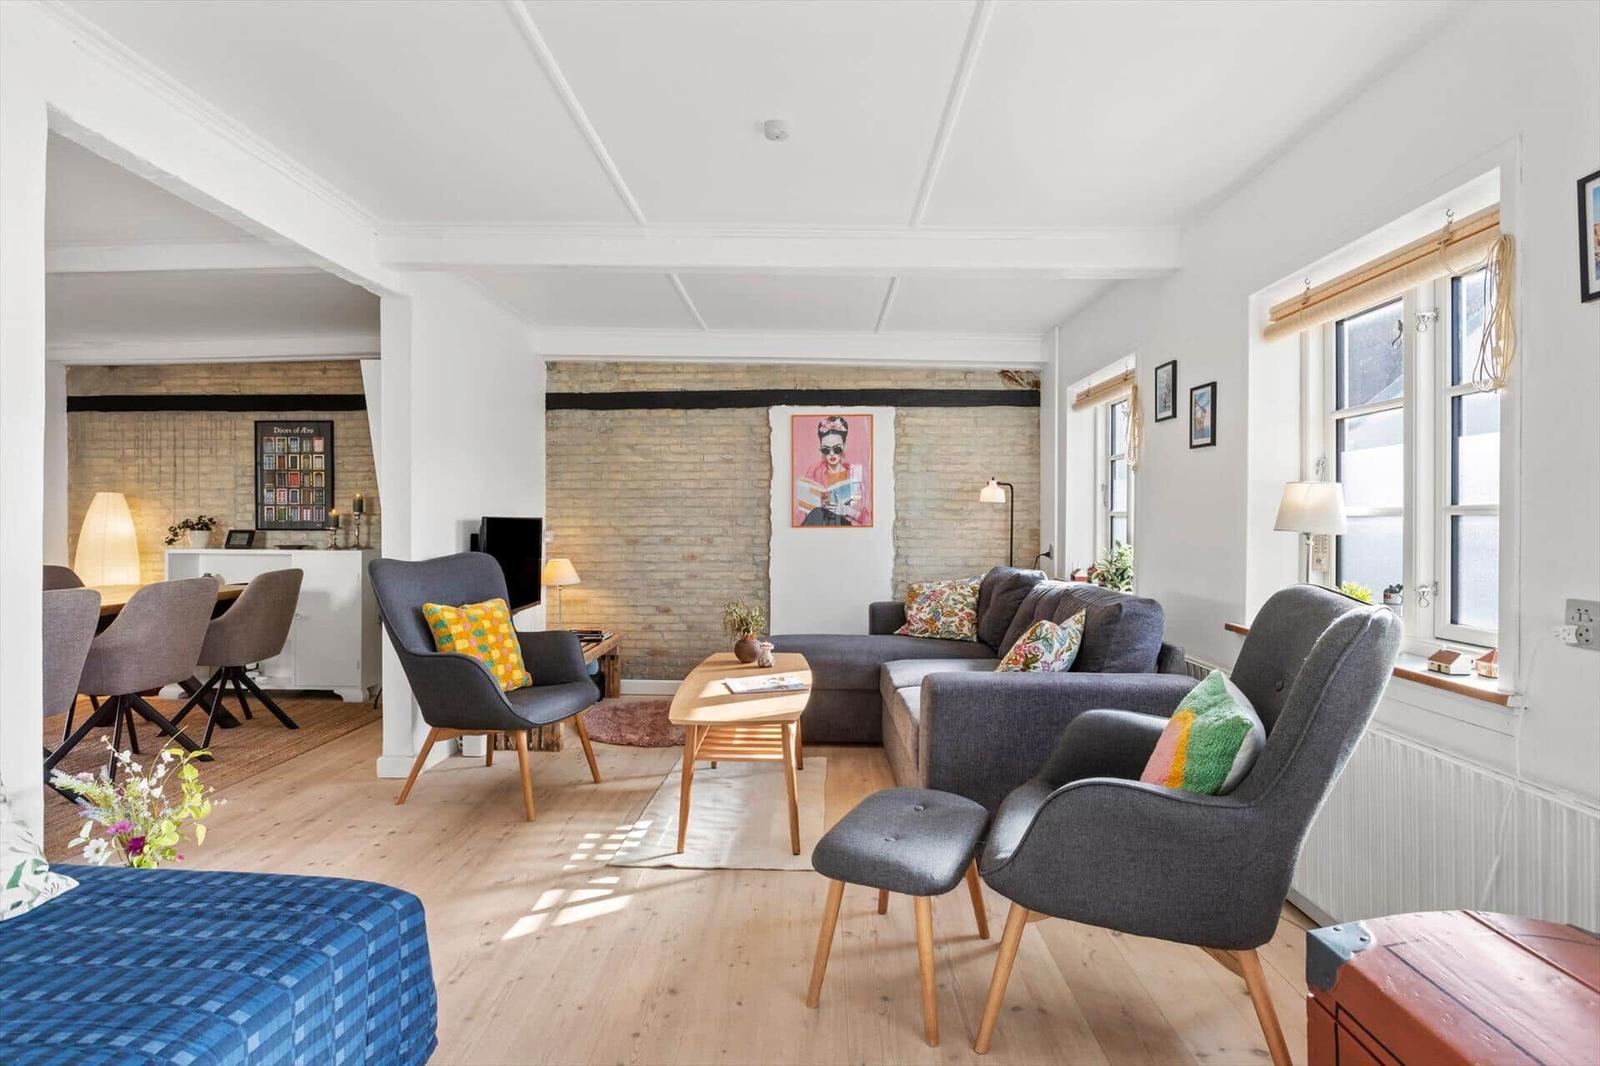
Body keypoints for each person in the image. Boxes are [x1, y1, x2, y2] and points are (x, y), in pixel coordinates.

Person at [794, 416, 870, 526]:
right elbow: (803, 509)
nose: (831, 454)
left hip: (844, 524)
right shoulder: (814, 471)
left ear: (844, 446)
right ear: (821, 449)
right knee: (817, 513)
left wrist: (845, 510)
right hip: (820, 523)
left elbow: (866, 519)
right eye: (826, 449)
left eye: (837, 448)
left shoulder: (854, 473)